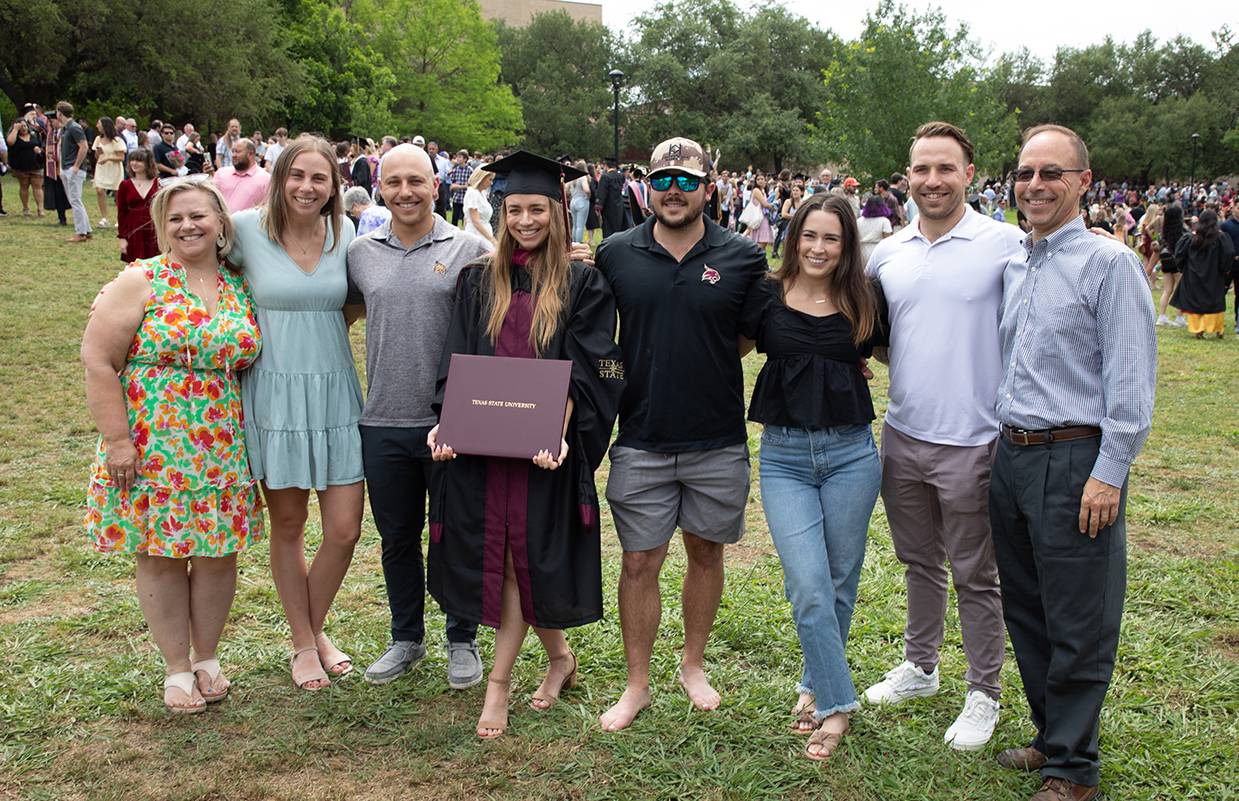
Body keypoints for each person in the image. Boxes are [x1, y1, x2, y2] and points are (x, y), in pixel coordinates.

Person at [427, 151, 624, 739]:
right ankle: (559, 659)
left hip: (544, 450)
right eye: (515, 210)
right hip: (485, 451)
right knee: (512, 559)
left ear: (558, 213)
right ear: (502, 211)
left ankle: (498, 686)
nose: (527, 220)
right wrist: (445, 423)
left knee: (523, 560)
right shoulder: (476, 281)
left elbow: (591, 367)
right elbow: (457, 360)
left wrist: (558, 429)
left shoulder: (584, 282)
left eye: (538, 209)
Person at [992, 123, 1156, 801]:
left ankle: (1073, 768)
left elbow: (1131, 379)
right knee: (1028, 608)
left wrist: (1108, 469)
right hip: (1011, 455)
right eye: (1026, 172)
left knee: (1078, 617)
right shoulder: (1014, 262)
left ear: (1082, 182)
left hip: (1073, 456)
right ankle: (1048, 734)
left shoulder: (1108, 264)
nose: (1034, 185)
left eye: (1050, 173)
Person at [595, 137, 767, 732]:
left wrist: (703, 362)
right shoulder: (616, 251)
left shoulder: (742, 256)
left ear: (709, 187)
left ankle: (693, 665)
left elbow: (747, 336)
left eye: (687, 180)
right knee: (639, 561)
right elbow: (599, 340)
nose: (674, 190)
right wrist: (625, 377)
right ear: (648, 187)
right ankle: (636, 683)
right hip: (640, 435)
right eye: (663, 179)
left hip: (715, 437)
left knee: (705, 552)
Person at [864, 121, 1024, 751]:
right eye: (921, 169)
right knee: (918, 562)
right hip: (902, 434)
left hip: (976, 439)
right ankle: (922, 667)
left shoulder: (1005, 243)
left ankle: (983, 692)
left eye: (945, 168)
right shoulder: (889, 251)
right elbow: (878, 340)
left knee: (975, 574)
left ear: (969, 174)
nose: (932, 180)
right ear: (908, 176)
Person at [82, 177, 264, 714]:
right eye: (176, 218)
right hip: (153, 443)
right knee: (160, 554)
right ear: (162, 228)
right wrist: (118, 442)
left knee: (215, 554)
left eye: (198, 216)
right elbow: (99, 360)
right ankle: (176, 668)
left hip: (221, 445)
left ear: (220, 223)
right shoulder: (142, 280)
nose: (188, 226)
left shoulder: (239, 285)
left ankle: (207, 658)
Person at [740, 193, 883, 761]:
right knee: (808, 585)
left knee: (839, 581)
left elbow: (908, 350)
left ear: (846, 245)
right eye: (810, 235)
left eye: (832, 238)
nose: (819, 248)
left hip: (852, 454)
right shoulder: (766, 296)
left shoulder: (865, 300)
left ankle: (813, 682)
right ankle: (837, 703)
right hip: (784, 458)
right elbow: (725, 348)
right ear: (793, 237)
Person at [228, 136, 363, 691]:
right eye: (297, 176)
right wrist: (125, 288)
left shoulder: (347, 234)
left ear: (334, 186)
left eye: (320, 178)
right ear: (279, 177)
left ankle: (313, 627)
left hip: (334, 391)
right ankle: (306, 642)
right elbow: (181, 264)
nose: (307, 188)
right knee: (288, 525)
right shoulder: (241, 231)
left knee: (345, 529)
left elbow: (353, 303)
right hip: (272, 393)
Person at [1171, 210, 1234, 339]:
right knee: (1215, 301)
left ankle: (1198, 329)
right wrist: (1224, 269)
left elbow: (1180, 255)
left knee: (1196, 301)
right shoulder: (1221, 238)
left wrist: (1184, 268)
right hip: (1214, 276)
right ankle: (1218, 329)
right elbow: (1228, 255)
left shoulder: (1191, 238)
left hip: (1193, 275)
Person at [115, 147, 162, 263]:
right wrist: (122, 238)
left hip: (154, 229)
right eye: (132, 160)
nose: (134, 163)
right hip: (134, 231)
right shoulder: (125, 185)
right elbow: (122, 213)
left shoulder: (159, 183)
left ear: (148, 163)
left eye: (139, 160)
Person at [56, 101, 93, 242]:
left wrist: (76, 166)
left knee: (75, 200)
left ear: (60, 113)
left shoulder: (74, 127)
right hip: (67, 167)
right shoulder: (65, 128)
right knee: (75, 200)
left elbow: (83, 146)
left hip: (73, 168)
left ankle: (81, 232)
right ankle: (86, 230)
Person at [213, 138, 270, 212]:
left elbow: (268, 210)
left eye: (237, 152)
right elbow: (210, 199)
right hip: (220, 222)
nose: (233, 155)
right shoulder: (221, 173)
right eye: (232, 151)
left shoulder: (266, 179)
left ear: (250, 154)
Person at [6, 116, 45, 217]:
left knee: (38, 187)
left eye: (25, 126)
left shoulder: (34, 134)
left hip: (36, 165)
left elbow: (41, 145)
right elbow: (10, 142)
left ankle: (40, 209)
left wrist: (39, 150)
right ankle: (26, 208)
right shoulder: (14, 136)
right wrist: (15, 129)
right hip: (21, 167)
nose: (24, 128)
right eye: (21, 126)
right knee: (24, 187)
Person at [1157, 198, 1187, 326]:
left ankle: (1161, 316)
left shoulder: (1165, 231)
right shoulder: (1181, 232)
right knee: (1180, 289)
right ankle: (1179, 317)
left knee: (1167, 290)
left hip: (1165, 258)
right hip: (1177, 261)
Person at [92, 117, 126, 228]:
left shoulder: (117, 140)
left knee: (117, 193)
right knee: (99, 190)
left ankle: (120, 218)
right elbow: (96, 156)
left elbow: (121, 157)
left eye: (99, 124)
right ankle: (104, 218)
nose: (97, 126)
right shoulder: (98, 139)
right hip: (101, 168)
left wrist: (108, 158)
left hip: (114, 169)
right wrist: (99, 152)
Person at [462, 167, 496, 247]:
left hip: (484, 232)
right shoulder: (472, 193)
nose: (491, 183)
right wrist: (492, 239)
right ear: (482, 178)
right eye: (490, 179)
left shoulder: (482, 193)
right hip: (476, 234)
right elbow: (475, 221)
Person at [856, 194, 893, 264]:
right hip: (877, 250)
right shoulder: (884, 221)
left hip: (861, 251)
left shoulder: (859, 221)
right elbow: (887, 240)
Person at [597, 159, 626, 238]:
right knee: (618, 226)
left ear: (606, 166)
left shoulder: (605, 177)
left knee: (608, 228)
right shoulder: (621, 176)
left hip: (608, 206)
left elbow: (601, 192)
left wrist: (599, 206)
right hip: (619, 205)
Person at [1221, 204, 1239, 329]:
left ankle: (1238, 320)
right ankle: (1217, 319)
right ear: (1233, 209)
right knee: (1222, 291)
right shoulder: (1226, 225)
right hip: (1228, 264)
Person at [567, 159, 592, 244]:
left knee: (574, 225)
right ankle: (578, 243)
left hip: (573, 201)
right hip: (582, 200)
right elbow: (586, 189)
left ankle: (573, 242)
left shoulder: (572, 178)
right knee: (580, 225)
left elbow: (566, 189)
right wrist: (588, 196)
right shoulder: (583, 177)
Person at [448, 149, 473, 226]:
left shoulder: (470, 170)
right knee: (454, 218)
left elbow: (470, 185)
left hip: (466, 198)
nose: (457, 159)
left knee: (466, 219)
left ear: (465, 159)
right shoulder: (455, 170)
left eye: (460, 157)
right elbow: (452, 185)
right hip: (456, 197)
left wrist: (459, 186)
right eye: (457, 157)